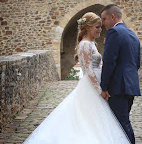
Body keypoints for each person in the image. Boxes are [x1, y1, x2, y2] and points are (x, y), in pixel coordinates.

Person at [23, 12, 131, 144]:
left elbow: (96, 65)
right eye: (97, 27)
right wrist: (100, 90)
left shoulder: (91, 43)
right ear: (87, 27)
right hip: (91, 87)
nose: (100, 30)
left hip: (97, 82)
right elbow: (88, 71)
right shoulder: (85, 44)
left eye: (100, 27)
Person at [100, 4, 141, 144]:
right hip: (131, 86)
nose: (103, 23)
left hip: (118, 87)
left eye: (104, 19)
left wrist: (104, 87)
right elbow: (137, 63)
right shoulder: (132, 34)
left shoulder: (114, 32)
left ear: (112, 17)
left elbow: (109, 62)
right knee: (122, 122)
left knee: (122, 124)